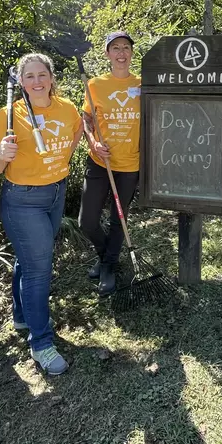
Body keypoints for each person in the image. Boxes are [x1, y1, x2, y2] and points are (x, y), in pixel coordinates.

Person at [0, 53, 83, 375]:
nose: (37, 81)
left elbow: (76, 133)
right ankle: (41, 343)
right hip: (23, 200)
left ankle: (22, 315)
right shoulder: (10, 114)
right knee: (39, 270)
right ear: (21, 82)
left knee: (27, 261)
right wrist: (1, 153)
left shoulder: (67, 108)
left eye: (42, 75)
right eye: (29, 76)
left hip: (56, 193)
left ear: (52, 78)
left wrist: (60, 162)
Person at [79, 31, 141, 296]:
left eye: (125, 47)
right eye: (115, 48)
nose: (121, 53)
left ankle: (108, 266)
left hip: (129, 163)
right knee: (87, 221)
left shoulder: (143, 83)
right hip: (99, 162)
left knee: (119, 219)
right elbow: (86, 120)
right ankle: (107, 255)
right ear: (107, 54)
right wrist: (92, 142)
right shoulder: (95, 85)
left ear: (131, 52)